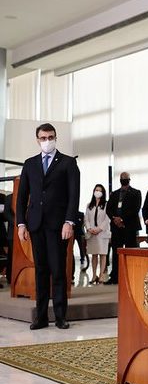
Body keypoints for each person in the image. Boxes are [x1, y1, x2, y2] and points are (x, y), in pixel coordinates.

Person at [16, 123, 80, 330]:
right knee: (41, 271)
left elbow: (74, 195)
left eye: (50, 137)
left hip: (58, 226)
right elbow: (22, 196)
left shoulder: (68, 163)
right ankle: (41, 317)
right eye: (43, 138)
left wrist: (69, 221)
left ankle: (60, 317)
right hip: (36, 224)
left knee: (58, 271)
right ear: (38, 140)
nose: (47, 141)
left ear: (55, 138)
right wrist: (21, 224)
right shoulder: (30, 164)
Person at [106, 172, 141, 284]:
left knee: (130, 251)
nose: (124, 179)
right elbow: (108, 209)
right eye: (122, 178)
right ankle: (115, 276)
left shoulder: (136, 193)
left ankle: (131, 276)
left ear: (129, 179)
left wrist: (122, 219)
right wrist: (115, 218)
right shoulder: (114, 194)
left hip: (129, 226)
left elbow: (135, 209)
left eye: (125, 178)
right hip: (116, 228)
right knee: (116, 252)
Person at [84, 184, 111, 284]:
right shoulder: (89, 205)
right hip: (92, 233)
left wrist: (99, 229)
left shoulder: (106, 204)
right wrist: (89, 228)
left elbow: (107, 219)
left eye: (100, 190)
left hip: (102, 233)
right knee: (94, 254)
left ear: (103, 193)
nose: (97, 192)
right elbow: (86, 218)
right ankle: (94, 275)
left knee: (103, 254)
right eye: (96, 190)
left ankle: (101, 275)